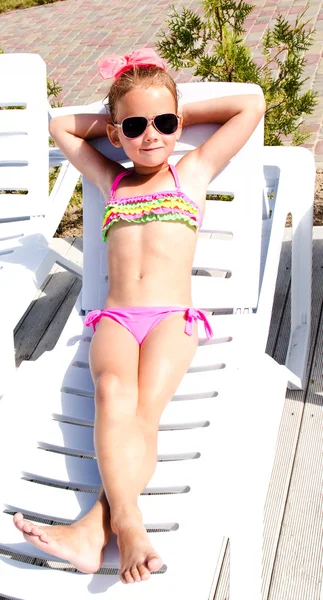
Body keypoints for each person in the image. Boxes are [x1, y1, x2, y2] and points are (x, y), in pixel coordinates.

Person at [13, 48, 266, 584]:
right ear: (115, 130)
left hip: (174, 318)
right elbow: (60, 124)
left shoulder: (193, 170)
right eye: (134, 126)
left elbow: (251, 103)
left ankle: (108, 524)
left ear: (180, 124)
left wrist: (167, 109)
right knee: (111, 393)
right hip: (117, 318)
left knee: (143, 411)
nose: (151, 136)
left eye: (165, 123)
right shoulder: (113, 180)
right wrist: (130, 112)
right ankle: (121, 526)